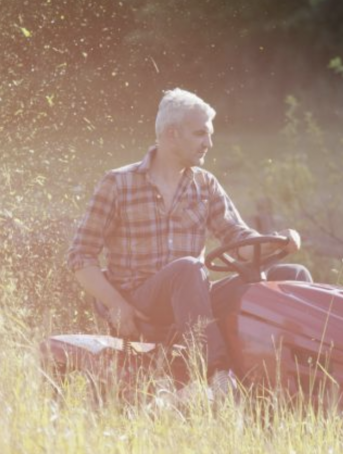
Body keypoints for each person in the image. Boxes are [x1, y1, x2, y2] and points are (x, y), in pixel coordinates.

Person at [66, 88, 312, 396]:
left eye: (209, 135)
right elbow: (80, 256)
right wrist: (117, 306)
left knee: (292, 277)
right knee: (188, 268)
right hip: (142, 302)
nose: (208, 143)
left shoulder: (204, 184)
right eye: (200, 134)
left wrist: (278, 243)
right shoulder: (118, 183)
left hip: (193, 297)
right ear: (172, 134)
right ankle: (215, 377)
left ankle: (299, 379)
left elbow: (238, 237)